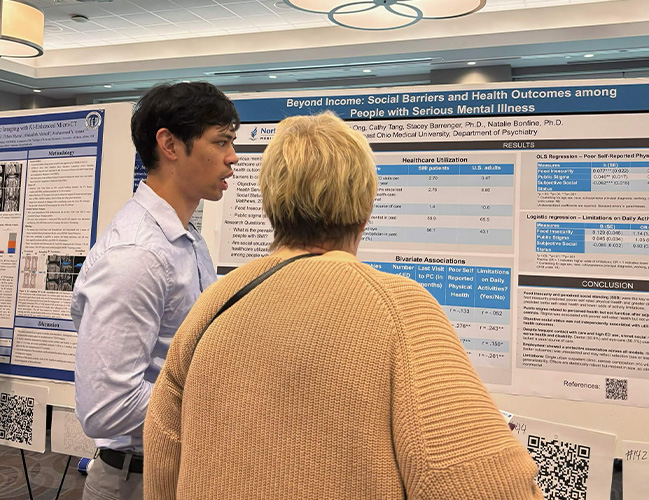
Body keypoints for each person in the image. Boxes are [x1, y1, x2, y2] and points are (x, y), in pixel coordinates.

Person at [143, 112, 542, 500]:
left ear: (269, 204)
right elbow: (484, 483)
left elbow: (162, 460)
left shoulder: (213, 304)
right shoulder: (401, 311)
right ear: (366, 208)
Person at [72, 82, 239, 500]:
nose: (232, 158)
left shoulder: (186, 239)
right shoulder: (136, 254)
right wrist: (220, 407)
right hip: (135, 481)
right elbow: (106, 408)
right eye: (220, 142)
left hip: (174, 470)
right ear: (169, 144)